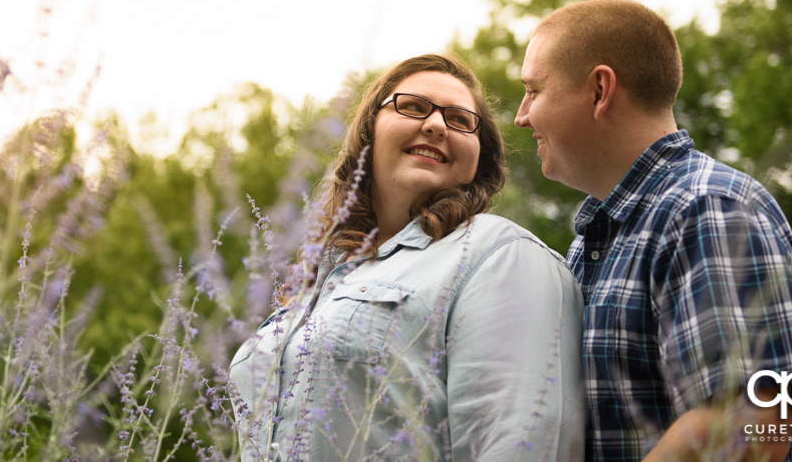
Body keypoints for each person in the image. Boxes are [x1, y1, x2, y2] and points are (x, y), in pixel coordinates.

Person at [513, 0, 792, 461]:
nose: (521, 115)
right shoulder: (604, 234)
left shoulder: (706, 210)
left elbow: (750, 428)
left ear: (599, 90)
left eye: (533, 91)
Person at [229, 53, 585, 461]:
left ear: (477, 157)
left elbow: (521, 443)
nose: (435, 125)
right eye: (412, 107)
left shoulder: (501, 257)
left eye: (460, 120)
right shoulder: (323, 276)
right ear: (369, 134)